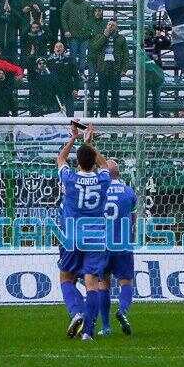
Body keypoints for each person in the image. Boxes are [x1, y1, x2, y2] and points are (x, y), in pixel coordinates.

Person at [56, 122, 111, 340]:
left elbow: (60, 159)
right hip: (96, 236)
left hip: (72, 236)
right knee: (92, 283)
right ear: (93, 160)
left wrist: (74, 138)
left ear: (77, 161)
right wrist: (90, 142)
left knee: (66, 278)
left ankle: (77, 311)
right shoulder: (102, 179)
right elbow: (104, 164)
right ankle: (88, 332)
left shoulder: (69, 178)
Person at [97, 159, 137, 336]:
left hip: (102, 244)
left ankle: (106, 327)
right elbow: (133, 215)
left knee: (103, 284)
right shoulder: (128, 191)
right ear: (119, 173)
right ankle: (122, 311)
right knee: (126, 282)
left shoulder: (99, 190)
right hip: (123, 243)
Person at [90, 20, 129, 117]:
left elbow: (126, 55)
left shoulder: (121, 38)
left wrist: (124, 69)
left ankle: (114, 115)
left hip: (115, 68)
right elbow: (95, 47)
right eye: (109, 24)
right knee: (103, 93)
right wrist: (105, 36)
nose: (110, 26)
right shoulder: (99, 36)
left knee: (115, 93)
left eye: (113, 25)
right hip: (103, 68)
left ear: (116, 28)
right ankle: (103, 115)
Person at [61, 0, 95, 72]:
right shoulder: (67, 4)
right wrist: (66, 30)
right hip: (73, 35)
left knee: (83, 56)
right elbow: (63, 18)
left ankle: (81, 73)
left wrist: (89, 30)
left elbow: (91, 19)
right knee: (73, 56)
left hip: (84, 36)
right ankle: (74, 74)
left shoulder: (87, 5)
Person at [49, 41, 80, 117]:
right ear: (54, 49)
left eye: (60, 47)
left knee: (70, 114)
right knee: (55, 115)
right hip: (54, 91)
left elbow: (76, 76)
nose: (58, 48)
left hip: (68, 90)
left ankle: (71, 124)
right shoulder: (49, 61)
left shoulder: (70, 60)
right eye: (57, 47)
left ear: (64, 49)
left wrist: (76, 89)